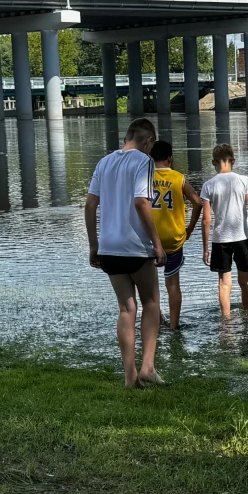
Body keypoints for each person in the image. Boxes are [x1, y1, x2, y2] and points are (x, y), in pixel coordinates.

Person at [85, 118, 167, 388]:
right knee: (151, 303)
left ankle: (129, 376)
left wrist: (93, 244)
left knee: (126, 308)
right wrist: (157, 243)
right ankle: (148, 367)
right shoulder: (144, 162)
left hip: (109, 248)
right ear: (148, 141)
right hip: (135, 247)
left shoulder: (104, 162)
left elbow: (90, 205)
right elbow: (141, 202)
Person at [200, 143, 248, 317]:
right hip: (242, 237)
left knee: (224, 284)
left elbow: (206, 220)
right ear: (233, 161)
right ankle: (247, 315)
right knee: (245, 280)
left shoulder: (208, 185)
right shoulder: (244, 180)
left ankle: (226, 323)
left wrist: (205, 249)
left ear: (213, 162)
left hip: (220, 240)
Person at [149, 140, 203, 330]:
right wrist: (190, 229)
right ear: (170, 159)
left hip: (149, 240)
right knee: (172, 284)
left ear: (150, 158)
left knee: (149, 285)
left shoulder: (144, 178)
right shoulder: (179, 178)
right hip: (173, 239)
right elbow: (198, 203)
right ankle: (174, 325)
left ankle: (153, 320)